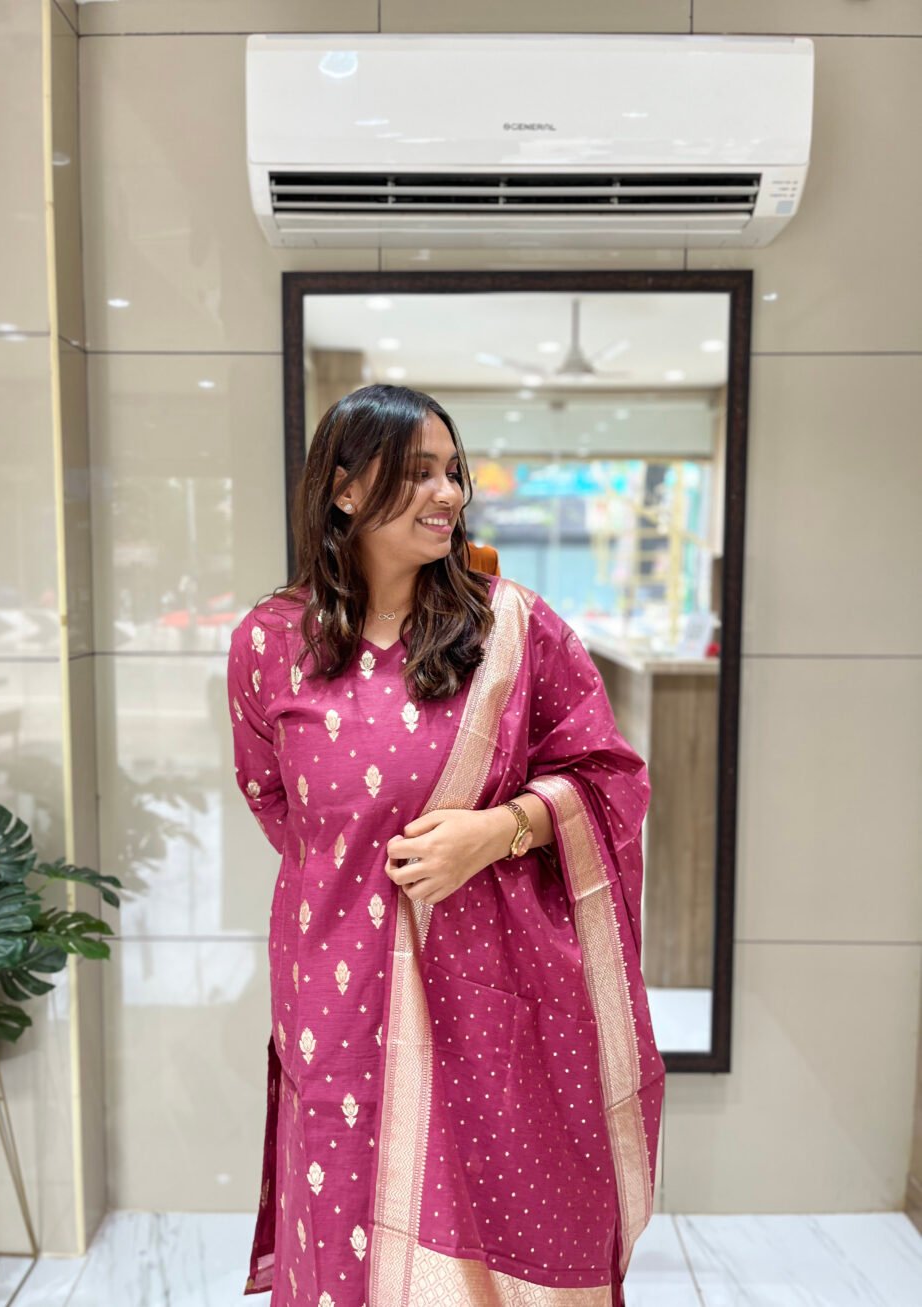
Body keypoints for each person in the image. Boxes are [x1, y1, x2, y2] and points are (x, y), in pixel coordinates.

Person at [227, 384, 664, 1306]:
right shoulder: (268, 644)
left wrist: (497, 832)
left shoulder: (513, 630)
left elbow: (612, 779)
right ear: (345, 489)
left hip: (486, 1002)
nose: (450, 493)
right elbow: (277, 804)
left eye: (453, 471)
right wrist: (362, 881)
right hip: (334, 998)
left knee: (484, 1244)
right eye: (419, 471)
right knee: (341, 1241)